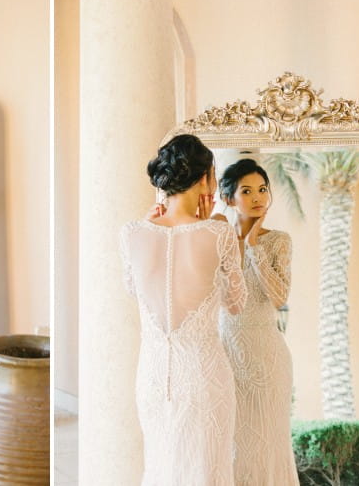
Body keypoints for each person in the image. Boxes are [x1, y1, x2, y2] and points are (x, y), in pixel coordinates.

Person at [120, 134, 247, 486]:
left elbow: (134, 290)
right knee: (206, 472)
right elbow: (237, 304)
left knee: (160, 468)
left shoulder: (132, 233)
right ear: (206, 178)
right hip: (205, 378)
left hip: (153, 377)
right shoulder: (218, 233)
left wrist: (151, 223)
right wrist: (218, 230)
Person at [215, 158, 299, 485]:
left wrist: (253, 248)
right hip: (226, 354)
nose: (257, 197)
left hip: (267, 356)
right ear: (228, 198)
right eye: (246, 190)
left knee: (268, 444)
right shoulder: (217, 240)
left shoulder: (279, 241)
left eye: (262, 189)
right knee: (232, 444)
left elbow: (279, 297)